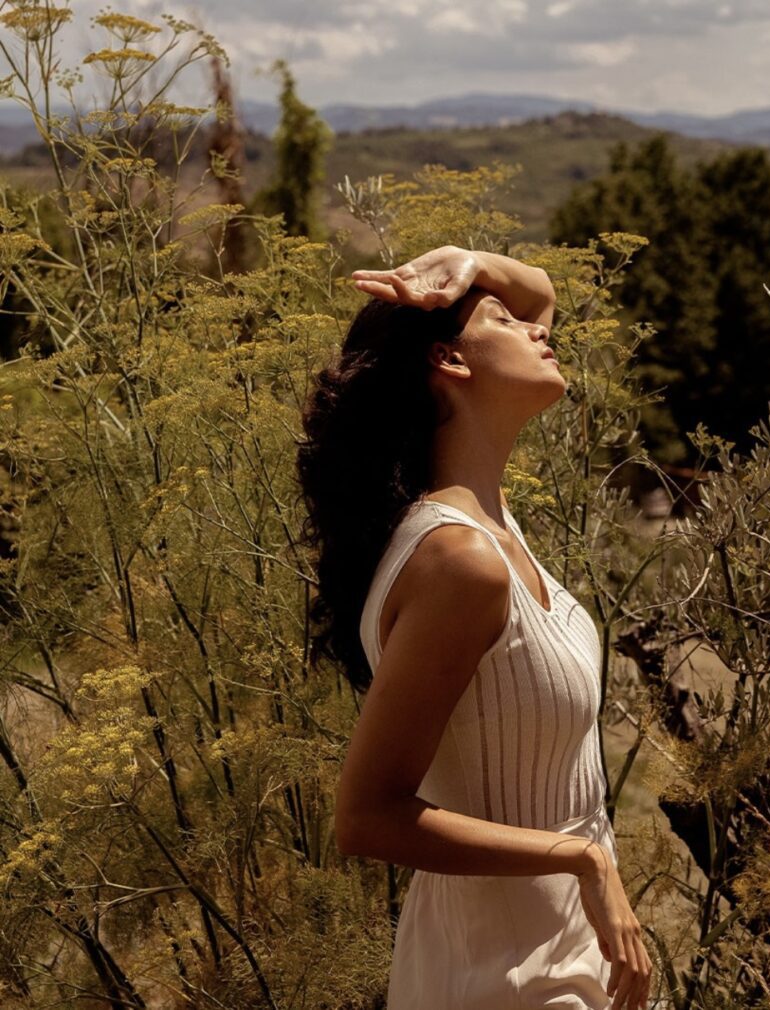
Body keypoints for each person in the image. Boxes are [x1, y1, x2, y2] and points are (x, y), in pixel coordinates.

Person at [296, 244, 652, 1010]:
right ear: (449, 360)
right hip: (502, 971)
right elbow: (365, 817)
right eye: (502, 320)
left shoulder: (486, 524)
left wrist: (466, 261)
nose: (539, 329)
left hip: (565, 946)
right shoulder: (461, 560)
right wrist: (584, 860)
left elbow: (541, 291)